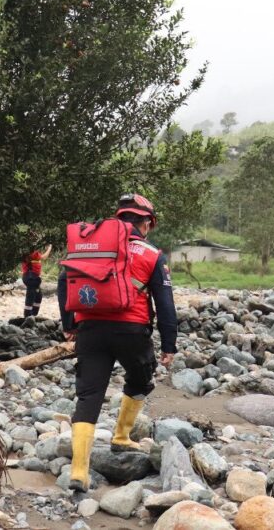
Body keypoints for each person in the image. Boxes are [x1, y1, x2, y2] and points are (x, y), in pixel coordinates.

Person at [57, 193, 178, 493]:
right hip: (131, 331)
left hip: (90, 329)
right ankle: (121, 436)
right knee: (140, 379)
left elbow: (64, 282)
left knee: (89, 396)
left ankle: (79, 472)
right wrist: (169, 345)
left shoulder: (88, 248)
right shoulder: (150, 253)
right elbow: (165, 304)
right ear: (146, 223)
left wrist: (70, 325)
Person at [21, 245, 52, 318]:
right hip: (31, 277)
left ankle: (33, 315)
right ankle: (27, 316)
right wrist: (49, 248)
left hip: (32, 277)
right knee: (30, 296)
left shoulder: (28, 252)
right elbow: (44, 257)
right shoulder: (33, 253)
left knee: (38, 296)